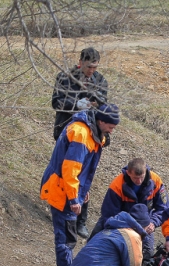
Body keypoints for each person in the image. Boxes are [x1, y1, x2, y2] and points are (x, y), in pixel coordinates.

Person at [40, 103, 120, 266]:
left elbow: (82, 169)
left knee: (67, 237)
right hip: (63, 191)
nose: (112, 130)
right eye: (111, 126)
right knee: (66, 239)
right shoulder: (81, 134)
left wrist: (83, 191)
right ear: (101, 121)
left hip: (68, 190)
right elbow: (70, 170)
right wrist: (74, 198)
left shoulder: (91, 132)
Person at [52, 47, 110, 239]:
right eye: (89, 66)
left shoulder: (100, 81)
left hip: (90, 135)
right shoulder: (65, 77)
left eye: (95, 67)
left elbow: (103, 104)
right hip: (66, 131)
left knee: (84, 176)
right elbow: (56, 102)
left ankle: (81, 220)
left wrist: (95, 105)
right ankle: (60, 208)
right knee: (64, 171)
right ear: (81, 62)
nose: (91, 70)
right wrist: (76, 104)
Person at [92, 158, 168, 260]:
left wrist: (153, 223)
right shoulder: (117, 185)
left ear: (146, 171)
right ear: (128, 173)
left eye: (141, 177)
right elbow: (109, 214)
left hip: (145, 224)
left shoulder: (156, 181)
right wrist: (126, 229)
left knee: (147, 255)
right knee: (95, 244)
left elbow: (164, 208)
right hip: (121, 222)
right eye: (136, 178)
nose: (139, 181)